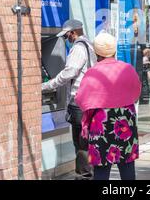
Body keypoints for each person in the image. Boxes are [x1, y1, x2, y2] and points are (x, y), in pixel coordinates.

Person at [75, 32, 141, 180]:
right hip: (126, 121)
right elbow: (136, 92)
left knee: (102, 168)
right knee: (127, 165)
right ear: (114, 50)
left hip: (101, 123)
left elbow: (81, 99)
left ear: (96, 53)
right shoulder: (127, 69)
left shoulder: (93, 73)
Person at [41, 19, 97, 180]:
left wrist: (46, 85)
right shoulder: (90, 45)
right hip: (89, 100)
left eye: (66, 36)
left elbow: (69, 72)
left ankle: (84, 175)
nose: (67, 40)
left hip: (79, 102)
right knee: (86, 139)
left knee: (80, 142)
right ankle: (89, 173)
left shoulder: (78, 48)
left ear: (73, 32)